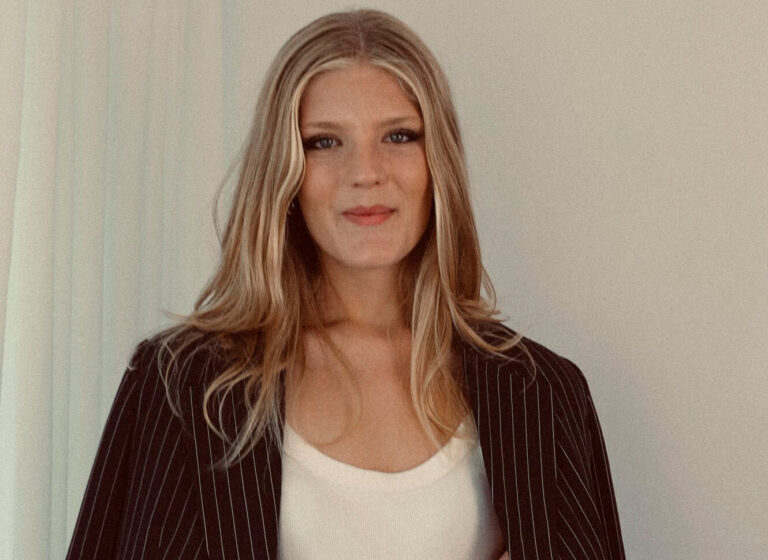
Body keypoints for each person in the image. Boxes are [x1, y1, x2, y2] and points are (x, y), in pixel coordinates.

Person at [67, 9, 625, 560]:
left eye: (399, 136)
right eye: (324, 142)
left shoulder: (544, 394)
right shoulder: (181, 386)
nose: (365, 172)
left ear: (439, 164)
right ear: (285, 172)